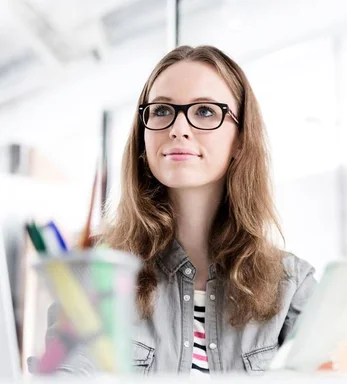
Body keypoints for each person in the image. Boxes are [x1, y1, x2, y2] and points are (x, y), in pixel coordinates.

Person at [49, 45, 316, 376]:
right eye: (162, 110)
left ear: (241, 140)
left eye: (205, 111)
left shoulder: (292, 285)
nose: (178, 128)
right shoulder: (95, 275)